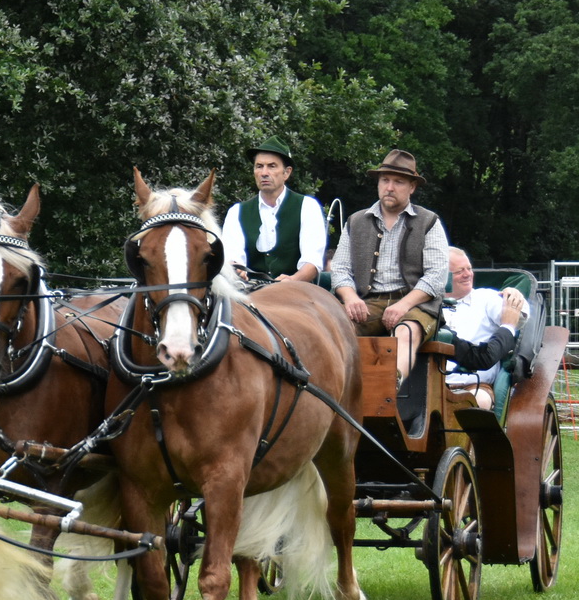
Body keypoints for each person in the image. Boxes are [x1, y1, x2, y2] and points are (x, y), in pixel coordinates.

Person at [329, 149, 450, 384]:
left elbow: (436, 277)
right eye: (385, 180)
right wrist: (350, 297)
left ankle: (390, 385)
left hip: (417, 304)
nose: (390, 187)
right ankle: (332, 388)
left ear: (412, 187)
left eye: (398, 181)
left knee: (404, 332)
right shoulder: (356, 221)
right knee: (335, 329)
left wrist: (403, 305)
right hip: (368, 301)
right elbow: (341, 269)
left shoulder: (429, 221)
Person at [219, 136, 326, 283]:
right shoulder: (237, 212)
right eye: (259, 166)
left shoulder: (307, 206)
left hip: (297, 293)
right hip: (251, 293)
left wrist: (293, 280)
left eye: (272, 166)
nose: (264, 172)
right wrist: (236, 269)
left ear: (286, 173)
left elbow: (312, 261)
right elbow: (232, 257)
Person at [442, 249, 526, 408]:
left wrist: (514, 296)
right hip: (430, 385)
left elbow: (519, 316)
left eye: (469, 268)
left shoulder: (486, 298)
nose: (468, 274)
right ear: (442, 276)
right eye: (459, 271)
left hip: (475, 387)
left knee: (478, 402)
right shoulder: (428, 304)